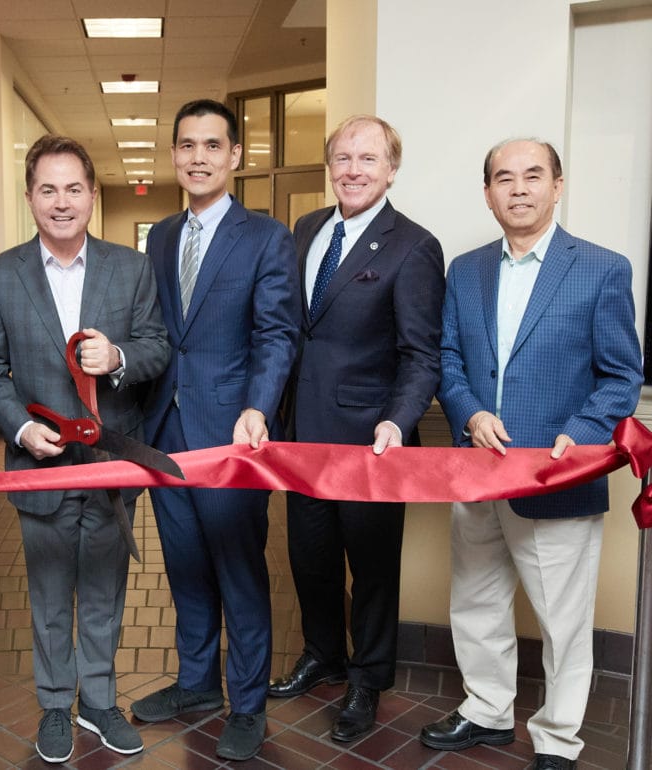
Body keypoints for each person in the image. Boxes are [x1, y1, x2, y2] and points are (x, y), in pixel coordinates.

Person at [421, 139, 642, 770]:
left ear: (558, 185)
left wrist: (584, 429)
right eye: (503, 178)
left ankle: (557, 738)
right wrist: (469, 413)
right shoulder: (465, 270)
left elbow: (621, 376)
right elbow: (450, 361)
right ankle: (486, 711)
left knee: (563, 620)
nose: (518, 189)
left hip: (557, 474)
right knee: (475, 599)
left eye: (532, 176)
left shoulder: (602, 268)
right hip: (479, 468)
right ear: (487, 193)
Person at [0, 134, 168, 764]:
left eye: (74, 189)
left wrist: (117, 358)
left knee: (106, 591)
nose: (62, 202)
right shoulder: (1, 275)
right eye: (48, 189)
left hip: (112, 463)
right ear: (31, 197)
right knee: (51, 593)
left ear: (92, 194)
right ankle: (56, 706)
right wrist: (18, 429)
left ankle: (101, 701)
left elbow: (156, 348)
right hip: (41, 466)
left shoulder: (131, 267)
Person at [130, 99, 301, 761]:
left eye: (212, 145)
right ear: (174, 156)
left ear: (235, 157)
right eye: (186, 145)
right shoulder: (163, 236)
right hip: (166, 430)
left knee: (238, 568)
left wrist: (259, 406)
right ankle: (197, 684)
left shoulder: (265, 237)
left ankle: (248, 703)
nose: (198, 157)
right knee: (186, 567)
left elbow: (277, 334)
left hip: (232, 434)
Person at [267, 115, 445, 742]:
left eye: (368, 159)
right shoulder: (308, 228)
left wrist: (398, 421)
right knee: (309, 558)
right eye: (342, 158)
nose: (352, 170)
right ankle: (323, 655)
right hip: (302, 434)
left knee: (370, 567)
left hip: (372, 441)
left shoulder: (413, 245)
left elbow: (423, 353)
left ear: (391, 169)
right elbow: (296, 329)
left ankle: (367, 679)